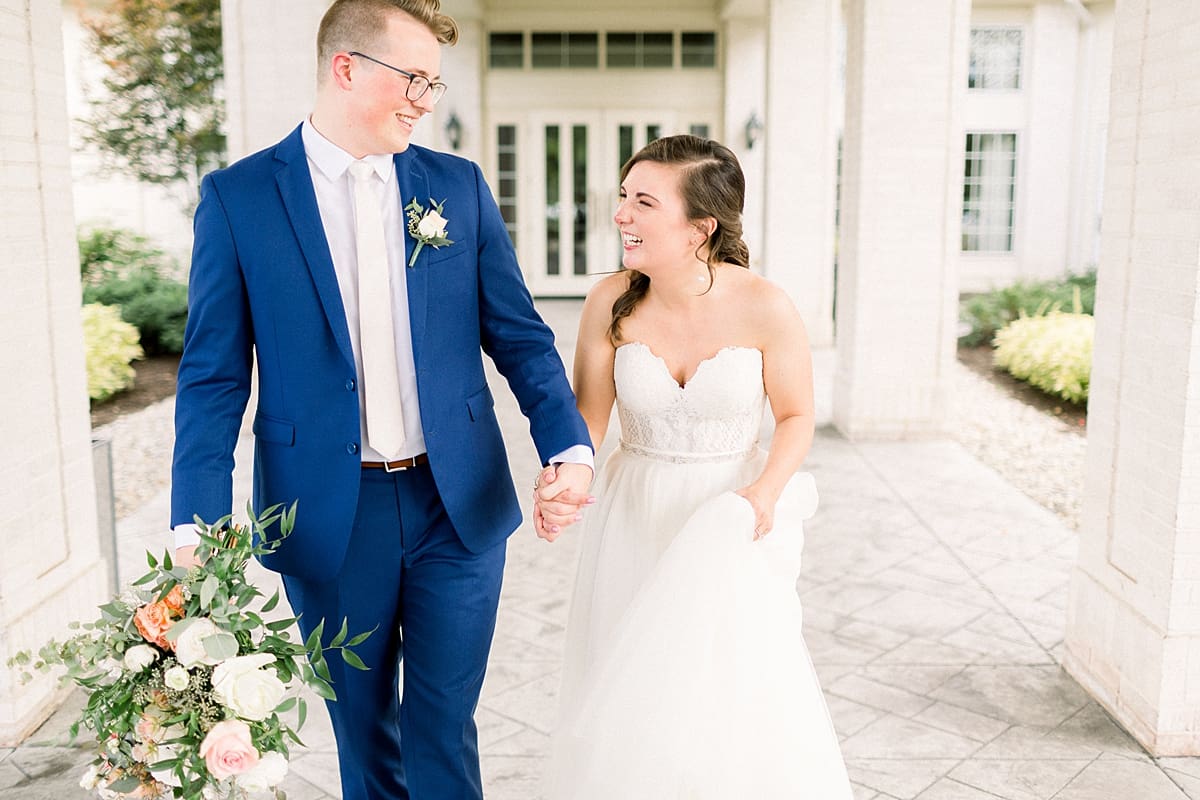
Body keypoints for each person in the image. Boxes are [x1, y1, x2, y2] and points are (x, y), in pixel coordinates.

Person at [169, 1, 593, 798]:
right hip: (327, 512)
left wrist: (567, 446)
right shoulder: (239, 198)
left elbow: (520, 334)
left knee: (443, 728)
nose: (425, 101)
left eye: (434, 84)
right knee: (363, 738)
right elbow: (212, 377)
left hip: (457, 503)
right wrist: (197, 520)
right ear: (347, 68)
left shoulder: (457, 187)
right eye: (415, 80)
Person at [538, 135, 853, 798]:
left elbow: (797, 415)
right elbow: (588, 419)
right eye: (624, 196)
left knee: (729, 686)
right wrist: (567, 477)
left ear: (700, 228)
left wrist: (764, 494)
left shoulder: (766, 305)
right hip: (633, 514)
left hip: (729, 517)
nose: (621, 214)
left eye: (644, 202)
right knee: (627, 684)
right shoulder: (609, 300)